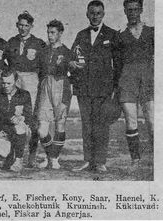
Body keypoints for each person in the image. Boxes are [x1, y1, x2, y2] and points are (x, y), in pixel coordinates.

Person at [69, 0, 120, 173]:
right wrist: (73, 65)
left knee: (101, 125)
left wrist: (114, 89)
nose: (95, 16)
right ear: (87, 14)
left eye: (98, 13)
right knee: (87, 126)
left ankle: (100, 161)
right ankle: (87, 160)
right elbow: (73, 57)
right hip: (84, 88)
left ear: (103, 14)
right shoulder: (81, 34)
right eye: (92, 13)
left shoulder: (112, 34)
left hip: (103, 89)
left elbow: (118, 64)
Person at [4, 11, 46, 168]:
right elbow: (6, 63)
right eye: (20, 25)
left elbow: (43, 67)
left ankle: (32, 156)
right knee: (13, 115)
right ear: (16, 25)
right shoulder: (11, 42)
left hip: (31, 80)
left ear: (31, 26)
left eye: (26, 26)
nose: (23, 28)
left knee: (31, 117)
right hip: (16, 79)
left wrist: (37, 84)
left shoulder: (38, 43)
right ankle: (15, 155)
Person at [118, 0, 154, 170]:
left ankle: (156, 158)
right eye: (129, 10)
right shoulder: (120, 36)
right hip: (127, 80)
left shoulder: (152, 32)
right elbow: (116, 65)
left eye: (135, 9)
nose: (132, 13)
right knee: (131, 121)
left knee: (152, 121)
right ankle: (135, 161)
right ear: (125, 11)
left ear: (141, 10)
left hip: (148, 79)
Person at [37, 20, 72, 169]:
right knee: (41, 129)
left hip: (61, 85)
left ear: (60, 33)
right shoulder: (43, 50)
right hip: (45, 85)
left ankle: (54, 159)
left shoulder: (66, 51)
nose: (50, 35)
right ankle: (51, 155)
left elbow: (75, 71)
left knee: (60, 124)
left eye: (53, 33)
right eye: (48, 32)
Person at [0, 70, 32, 171]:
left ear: (16, 81)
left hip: (20, 130)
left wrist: (21, 118)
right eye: (3, 83)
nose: (5, 86)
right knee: (4, 153)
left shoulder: (24, 94)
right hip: (4, 131)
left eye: (9, 83)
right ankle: (8, 157)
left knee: (19, 127)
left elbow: (29, 116)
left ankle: (18, 160)